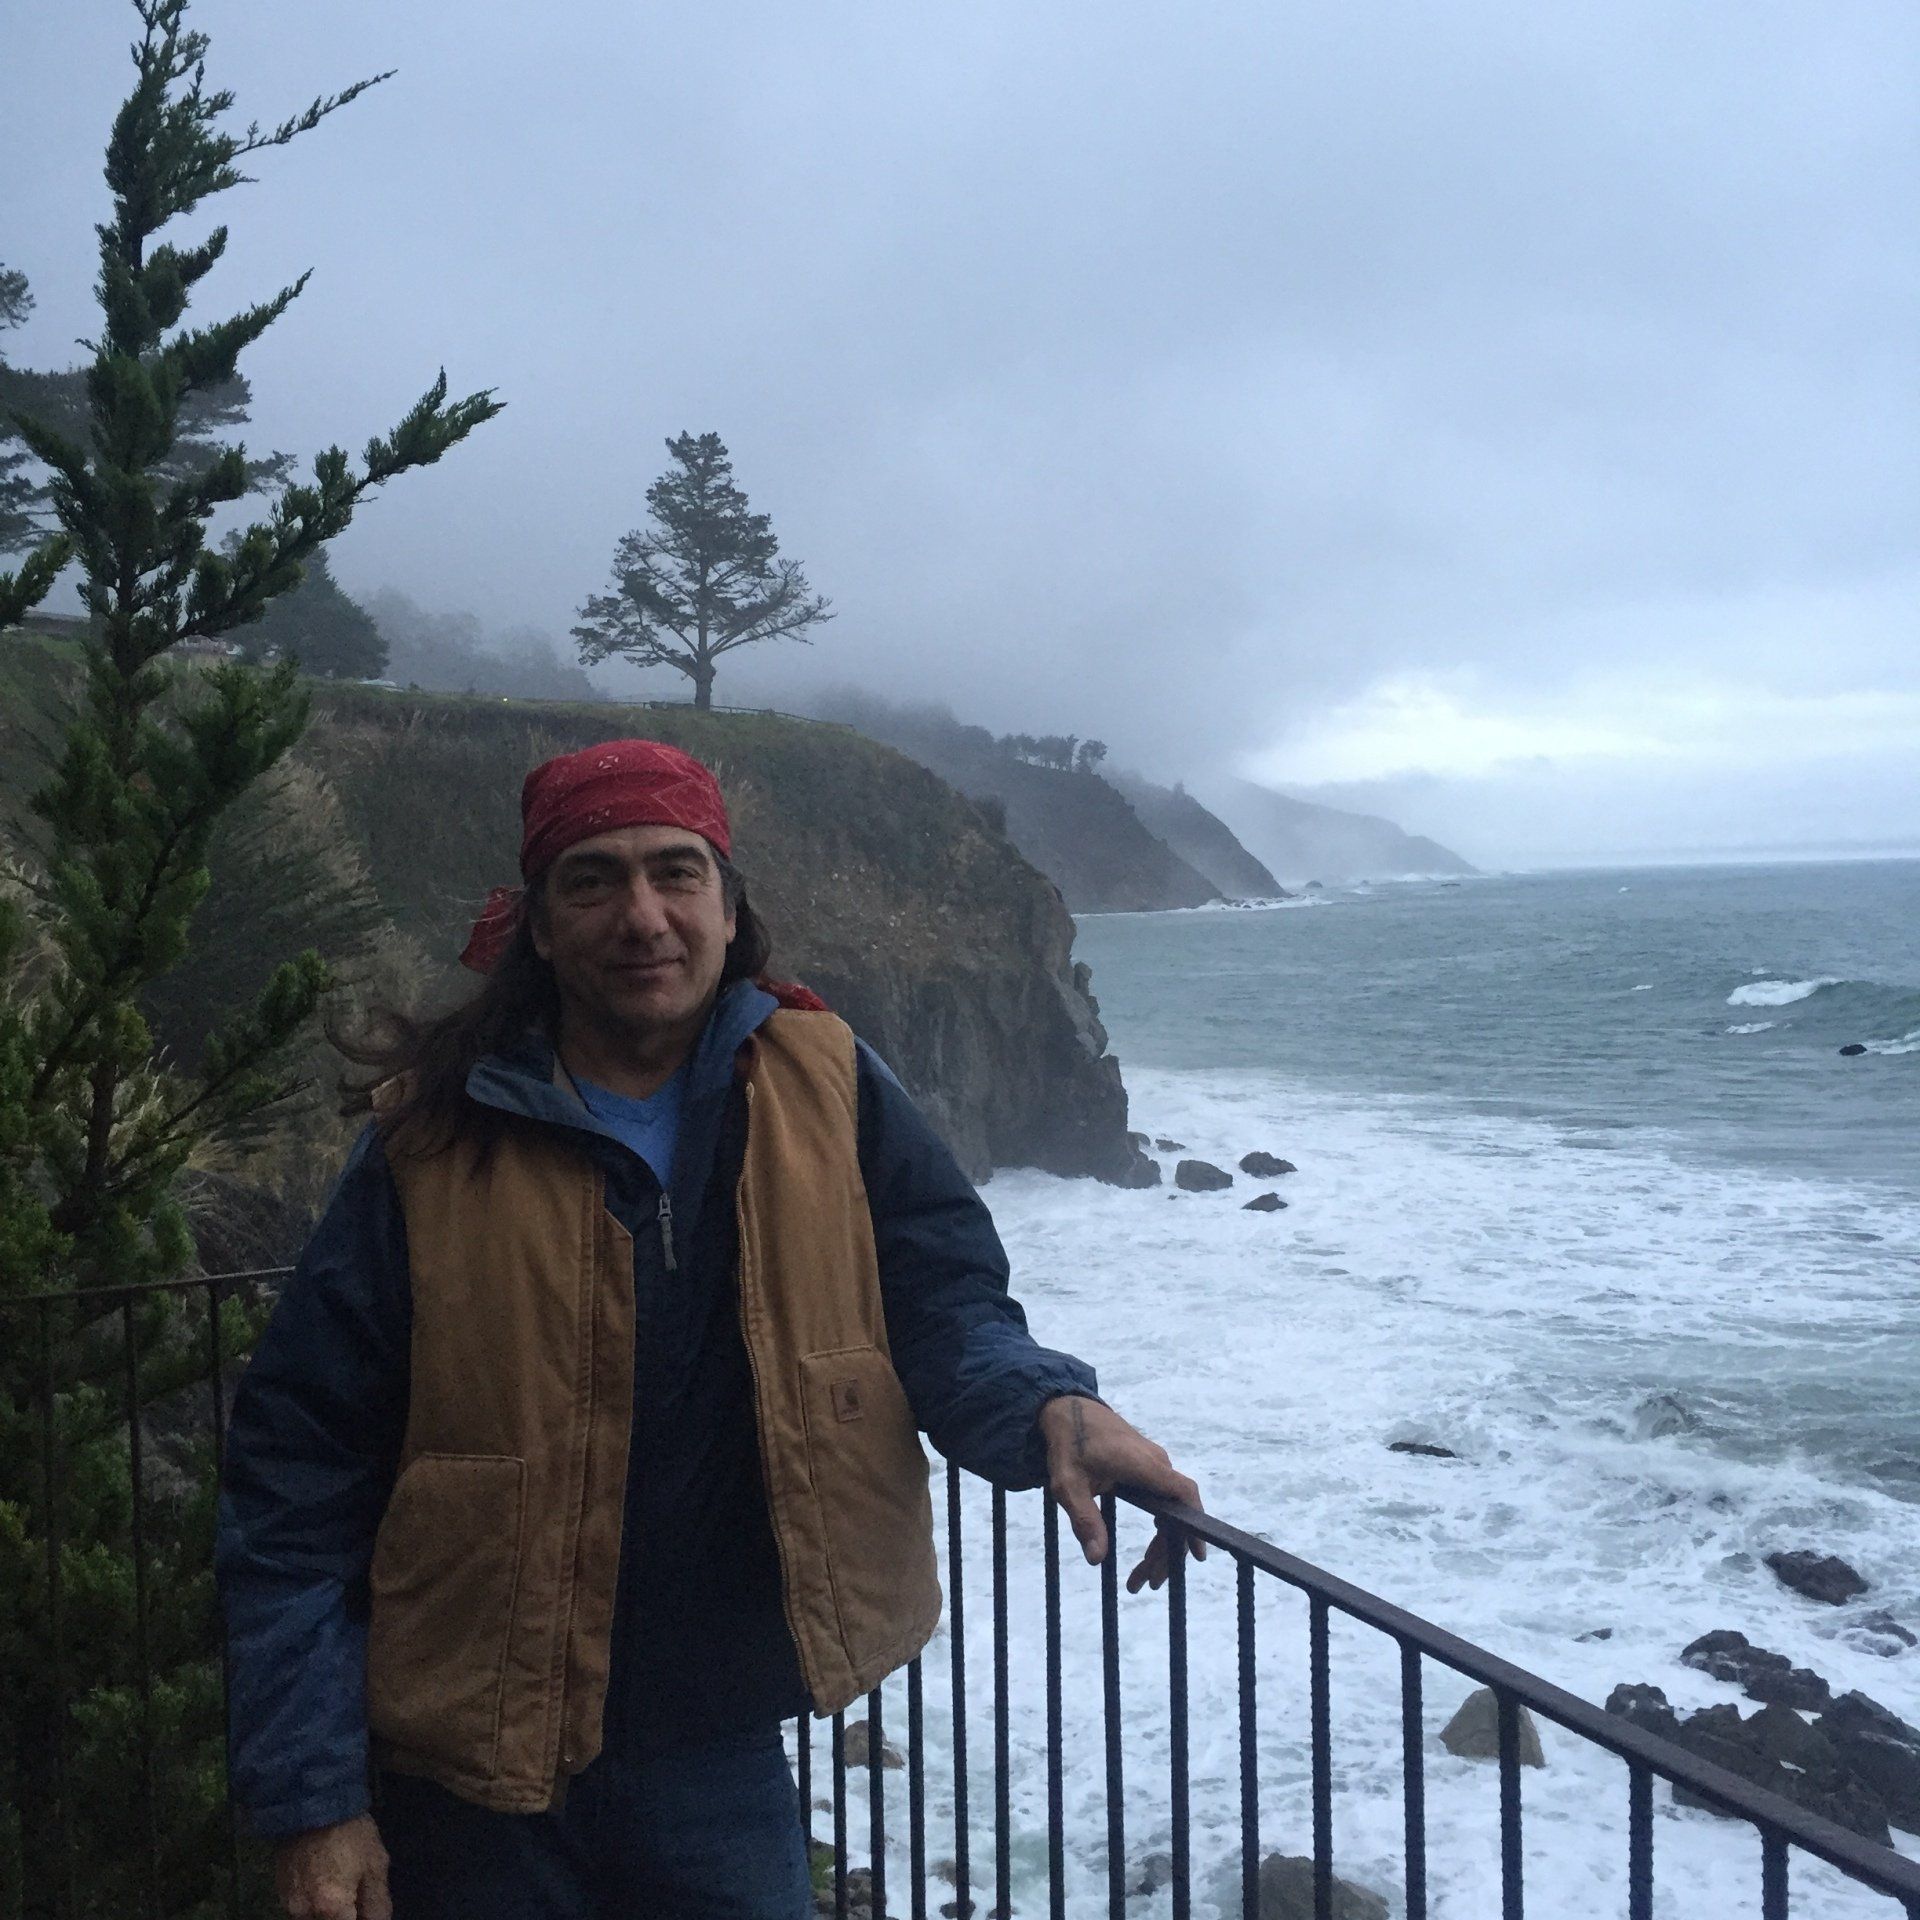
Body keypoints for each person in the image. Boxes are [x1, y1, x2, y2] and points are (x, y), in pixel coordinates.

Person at [216, 738, 1202, 1920]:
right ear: (538, 926)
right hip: (468, 1767)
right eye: (593, 880)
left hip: (717, 1750)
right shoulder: (431, 1139)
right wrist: (314, 1799)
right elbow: (297, 1470)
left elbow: (943, 1302)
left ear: (729, 909)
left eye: (675, 872)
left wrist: (1048, 1405)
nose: (643, 917)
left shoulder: (829, 1083)